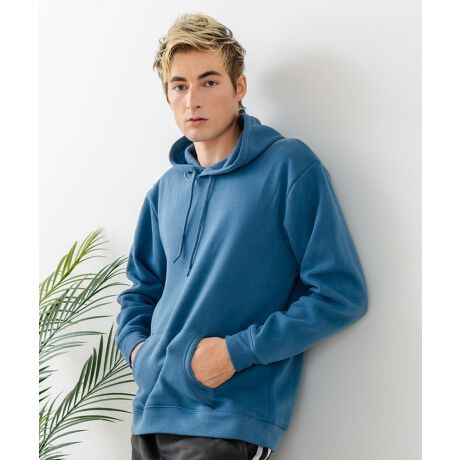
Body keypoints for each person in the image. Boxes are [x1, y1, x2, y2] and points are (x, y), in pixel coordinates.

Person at [115, 12, 368, 460]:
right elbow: (141, 292)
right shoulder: (164, 191)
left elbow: (340, 294)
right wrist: (140, 353)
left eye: (209, 82)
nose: (192, 99)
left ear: (240, 87)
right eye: (179, 86)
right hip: (150, 417)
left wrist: (236, 352)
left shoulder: (288, 167)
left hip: (229, 419)